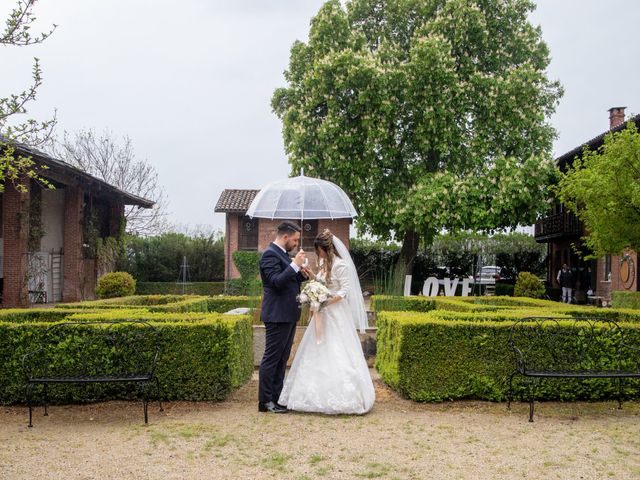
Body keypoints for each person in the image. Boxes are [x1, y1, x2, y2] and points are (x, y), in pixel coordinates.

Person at [278, 229, 375, 415]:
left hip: (336, 314)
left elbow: (345, 291)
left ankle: (345, 396)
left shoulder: (341, 266)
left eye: (319, 251)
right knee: (316, 347)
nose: (318, 254)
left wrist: (326, 301)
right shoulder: (323, 263)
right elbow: (323, 284)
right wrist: (312, 278)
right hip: (321, 313)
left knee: (338, 350)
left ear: (326, 249)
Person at [258, 221, 311, 414]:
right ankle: (265, 402)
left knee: (282, 358)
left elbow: (290, 280)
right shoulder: (269, 255)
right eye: (295, 240)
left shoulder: (284, 255)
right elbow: (276, 282)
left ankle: (276, 397)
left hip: (288, 314)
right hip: (276, 315)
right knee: (272, 358)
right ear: (285, 237)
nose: (297, 243)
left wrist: (302, 273)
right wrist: (294, 265)